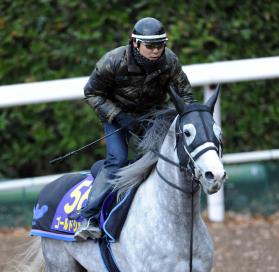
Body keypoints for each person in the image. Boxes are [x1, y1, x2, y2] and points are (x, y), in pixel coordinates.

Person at [72, 17, 194, 240]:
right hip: (117, 115)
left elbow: (185, 94)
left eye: (161, 45)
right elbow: (92, 93)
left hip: (152, 115)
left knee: (156, 159)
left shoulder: (170, 61)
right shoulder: (112, 61)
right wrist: (119, 117)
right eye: (150, 46)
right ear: (135, 44)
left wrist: (189, 115)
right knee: (117, 160)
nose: (157, 51)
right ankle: (87, 217)